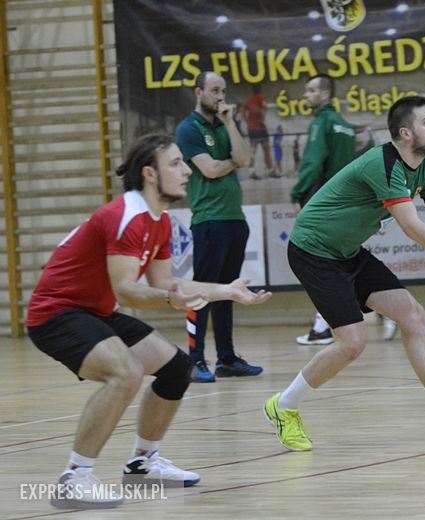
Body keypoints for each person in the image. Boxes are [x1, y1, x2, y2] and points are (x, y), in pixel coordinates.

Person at [26, 134, 273, 509]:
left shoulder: (160, 221)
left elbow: (163, 285)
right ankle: (74, 479)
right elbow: (127, 290)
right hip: (55, 312)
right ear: (150, 174)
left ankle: (142, 464)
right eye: (175, 163)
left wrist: (227, 291)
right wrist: (171, 298)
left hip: (94, 311)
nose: (186, 171)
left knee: (176, 368)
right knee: (125, 373)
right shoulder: (126, 215)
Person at [263, 95, 425, 451]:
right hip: (313, 250)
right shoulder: (383, 163)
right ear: (405, 133)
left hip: (347, 251)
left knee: (412, 315)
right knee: (352, 342)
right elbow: (411, 226)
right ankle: (283, 407)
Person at [176, 71, 263, 382]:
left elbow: (246, 158)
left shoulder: (226, 124)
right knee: (202, 292)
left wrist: (229, 123)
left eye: (223, 90)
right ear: (198, 92)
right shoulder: (188, 128)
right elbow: (210, 170)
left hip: (234, 219)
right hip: (208, 221)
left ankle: (226, 359)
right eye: (214, 90)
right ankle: (194, 359)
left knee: (228, 292)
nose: (220, 96)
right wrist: (232, 162)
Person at [289, 73, 359, 347]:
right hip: (346, 204)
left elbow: (313, 163)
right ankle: (322, 326)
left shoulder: (322, 123)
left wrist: (297, 192)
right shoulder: (346, 126)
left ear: (326, 94)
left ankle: (322, 327)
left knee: (321, 267)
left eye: (311, 90)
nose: (306, 95)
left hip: (322, 204)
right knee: (338, 265)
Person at [244, 84, 275, 179]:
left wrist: (248, 122)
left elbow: (244, 113)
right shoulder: (262, 98)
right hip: (260, 129)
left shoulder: (249, 100)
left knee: (252, 151)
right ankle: (270, 171)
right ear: (260, 90)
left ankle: (251, 172)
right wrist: (262, 118)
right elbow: (265, 108)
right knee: (266, 150)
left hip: (252, 129)